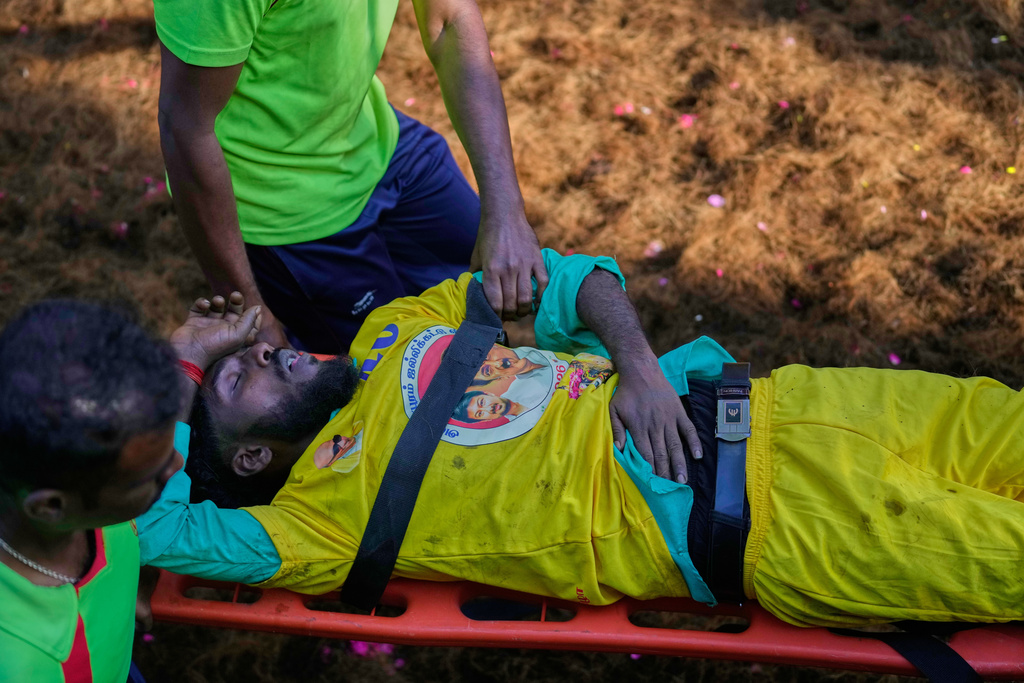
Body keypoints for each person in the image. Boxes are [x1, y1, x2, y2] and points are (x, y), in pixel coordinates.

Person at [137, 251, 1024, 630]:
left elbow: (572, 280)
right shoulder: (313, 526)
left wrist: (636, 362)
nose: (258, 350)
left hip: (791, 402)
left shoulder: (393, 332)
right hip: (787, 524)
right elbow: (155, 527)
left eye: (243, 350)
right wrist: (180, 361)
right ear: (250, 454)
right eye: (234, 378)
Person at [154, 0, 548, 354]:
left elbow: (449, 18)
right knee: (403, 393)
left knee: (479, 322)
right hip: (285, 213)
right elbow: (186, 128)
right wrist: (251, 312)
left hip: (376, 140)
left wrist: (506, 211)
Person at [0, 301, 188, 682]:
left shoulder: (86, 488)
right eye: (151, 477)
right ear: (51, 507)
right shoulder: (22, 663)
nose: (178, 465)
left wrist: (121, 587)